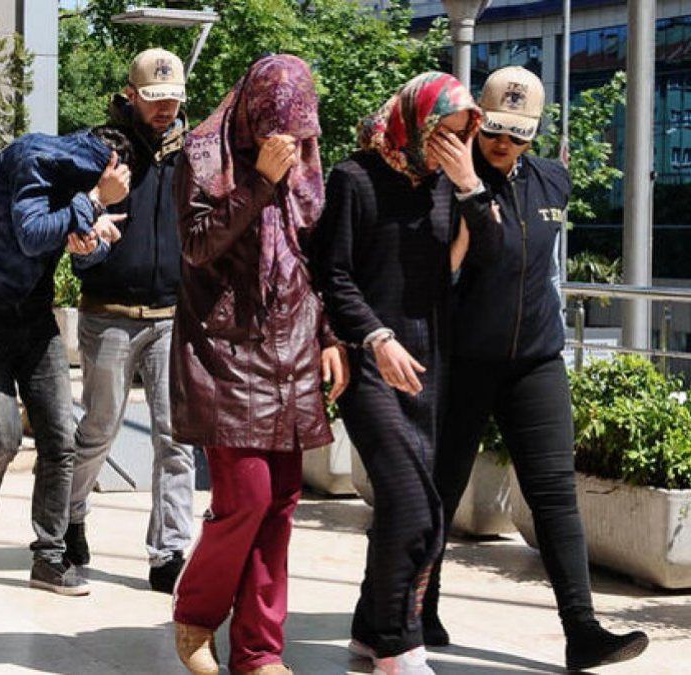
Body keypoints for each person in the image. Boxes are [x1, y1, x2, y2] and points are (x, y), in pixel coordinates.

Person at [426, 66, 649, 672]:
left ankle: (583, 630)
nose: (503, 144)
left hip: (536, 360)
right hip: (464, 360)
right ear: (478, 121)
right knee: (439, 490)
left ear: (535, 133)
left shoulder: (553, 179)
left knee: (555, 495)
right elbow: (446, 267)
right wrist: (467, 186)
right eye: (494, 130)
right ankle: (416, 608)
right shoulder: (444, 181)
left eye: (518, 134)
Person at [169, 55, 347, 675]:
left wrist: (330, 336)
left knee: (281, 504)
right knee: (246, 497)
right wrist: (260, 182)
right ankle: (196, 616)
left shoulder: (307, 164)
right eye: (276, 130)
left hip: (294, 347)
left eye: (297, 132)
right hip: (226, 351)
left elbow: (314, 258)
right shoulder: (201, 158)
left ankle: (259, 651)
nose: (288, 143)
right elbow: (197, 245)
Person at [312, 71, 483, 675]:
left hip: (429, 364)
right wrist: (375, 337)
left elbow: (471, 261)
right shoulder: (354, 178)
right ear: (416, 121)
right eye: (444, 133)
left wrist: (468, 187)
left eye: (462, 136)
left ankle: (369, 631)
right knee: (414, 507)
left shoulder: (446, 187)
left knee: (407, 508)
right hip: (369, 363)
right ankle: (398, 644)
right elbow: (332, 275)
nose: (451, 147)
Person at [0, 125, 132, 597]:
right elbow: (31, 234)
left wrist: (91, 242)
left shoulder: (81, 188)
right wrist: (93, 202)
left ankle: (49, 556)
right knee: (3, 436)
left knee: (60, 438)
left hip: (34, 315)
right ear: (102, 167)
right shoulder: (34, 159)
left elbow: (81, 255)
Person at [63, 48, 194, 594]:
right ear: (131, 95)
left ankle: (169, 552)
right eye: (155, 99)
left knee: (176, 440)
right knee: (98, 429)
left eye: (173, 99)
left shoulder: (194, 154)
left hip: (172, 317)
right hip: (109, 314)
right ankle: (69, 519)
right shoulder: (101, 149)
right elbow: (74, 223)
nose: (165, 110)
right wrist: (88, 230)